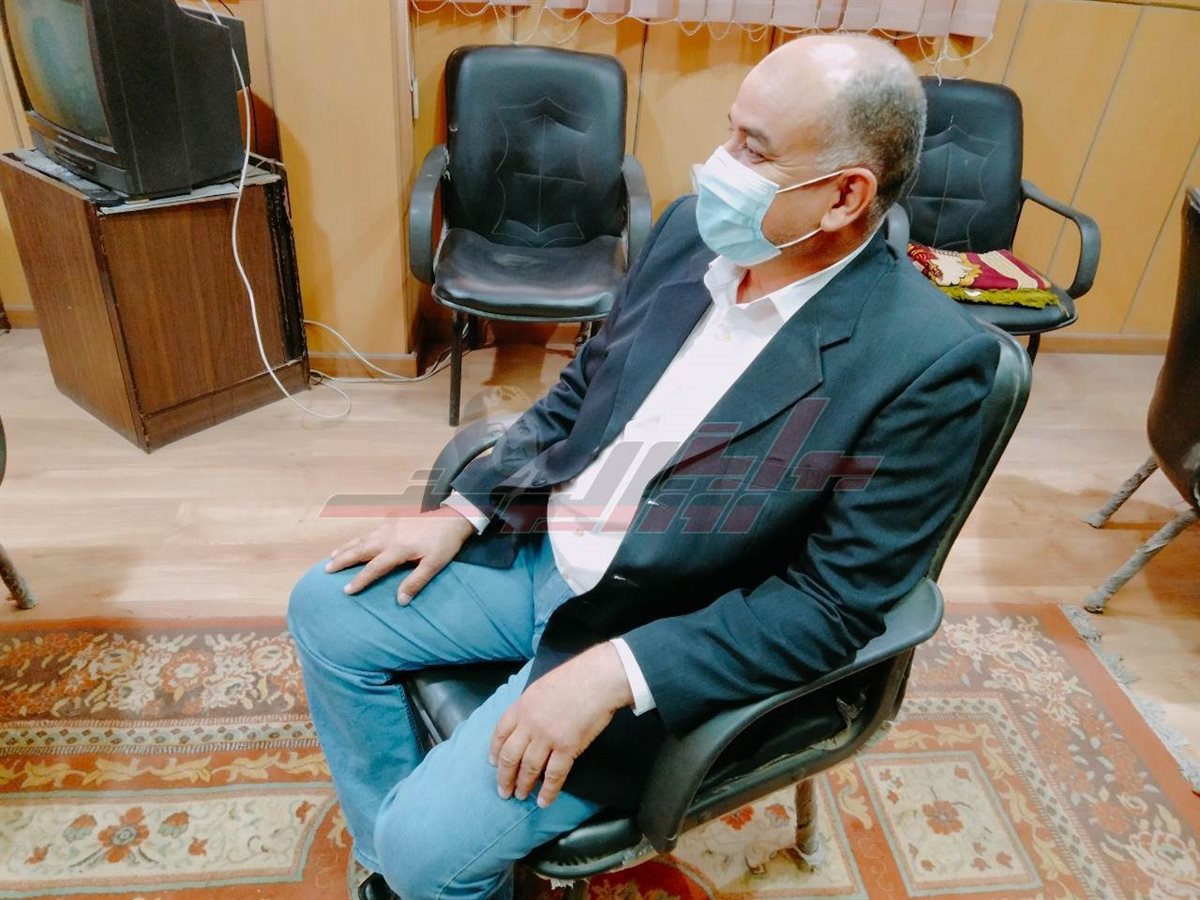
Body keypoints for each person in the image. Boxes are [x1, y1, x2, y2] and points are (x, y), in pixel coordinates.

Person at [288, 33, 999, 900]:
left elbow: (832, 605)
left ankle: (418, 865)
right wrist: (464, 509)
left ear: (846, 194)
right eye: (730, 130)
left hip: (654, 625)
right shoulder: (688, 235)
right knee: (325, 611)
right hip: (542, 554)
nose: (717, 165)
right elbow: (585, 387)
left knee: (426, 848)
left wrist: (616, 673)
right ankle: (402, 869)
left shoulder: (925, 361)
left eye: (753, 149)